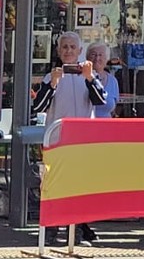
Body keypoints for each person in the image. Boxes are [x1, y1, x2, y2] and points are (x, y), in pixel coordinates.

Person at [32, 32, 108, 245]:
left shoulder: (88, 76)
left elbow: (101, 100)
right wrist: (53, 84)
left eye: (72, 47)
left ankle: (80, 228)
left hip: (83, 142)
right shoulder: (51, 76)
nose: (68, 51)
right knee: (54, 184)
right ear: (58, 51)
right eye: (64, 47)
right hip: (58, 140)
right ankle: (51, 228)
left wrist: (90, 78)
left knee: (81, 185)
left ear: (79, 51)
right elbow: (38, 106)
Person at [88, 43, 120, 119]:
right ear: (87, 58)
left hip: (107, 127)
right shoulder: (81, 78)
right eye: (93, 55)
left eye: (100, 55)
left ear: (107, 59)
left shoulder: (113, 81)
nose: (97, 58)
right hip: (86, 126)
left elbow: (113, 110)